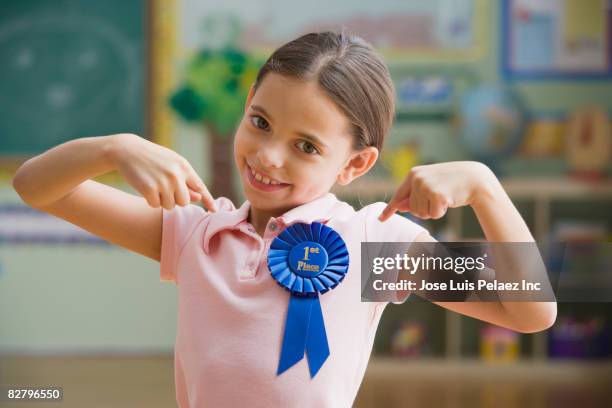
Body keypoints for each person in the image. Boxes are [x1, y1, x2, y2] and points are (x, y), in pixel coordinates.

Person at [12, 30, 556, 408]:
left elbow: (531, 311)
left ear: (357, 164)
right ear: (247, 102)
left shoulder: (375, 245)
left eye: (306, 146)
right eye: (261, 122)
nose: (269, 156)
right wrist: (113, 147)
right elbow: (36, 188)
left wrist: (484, 186)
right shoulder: (196, 234)